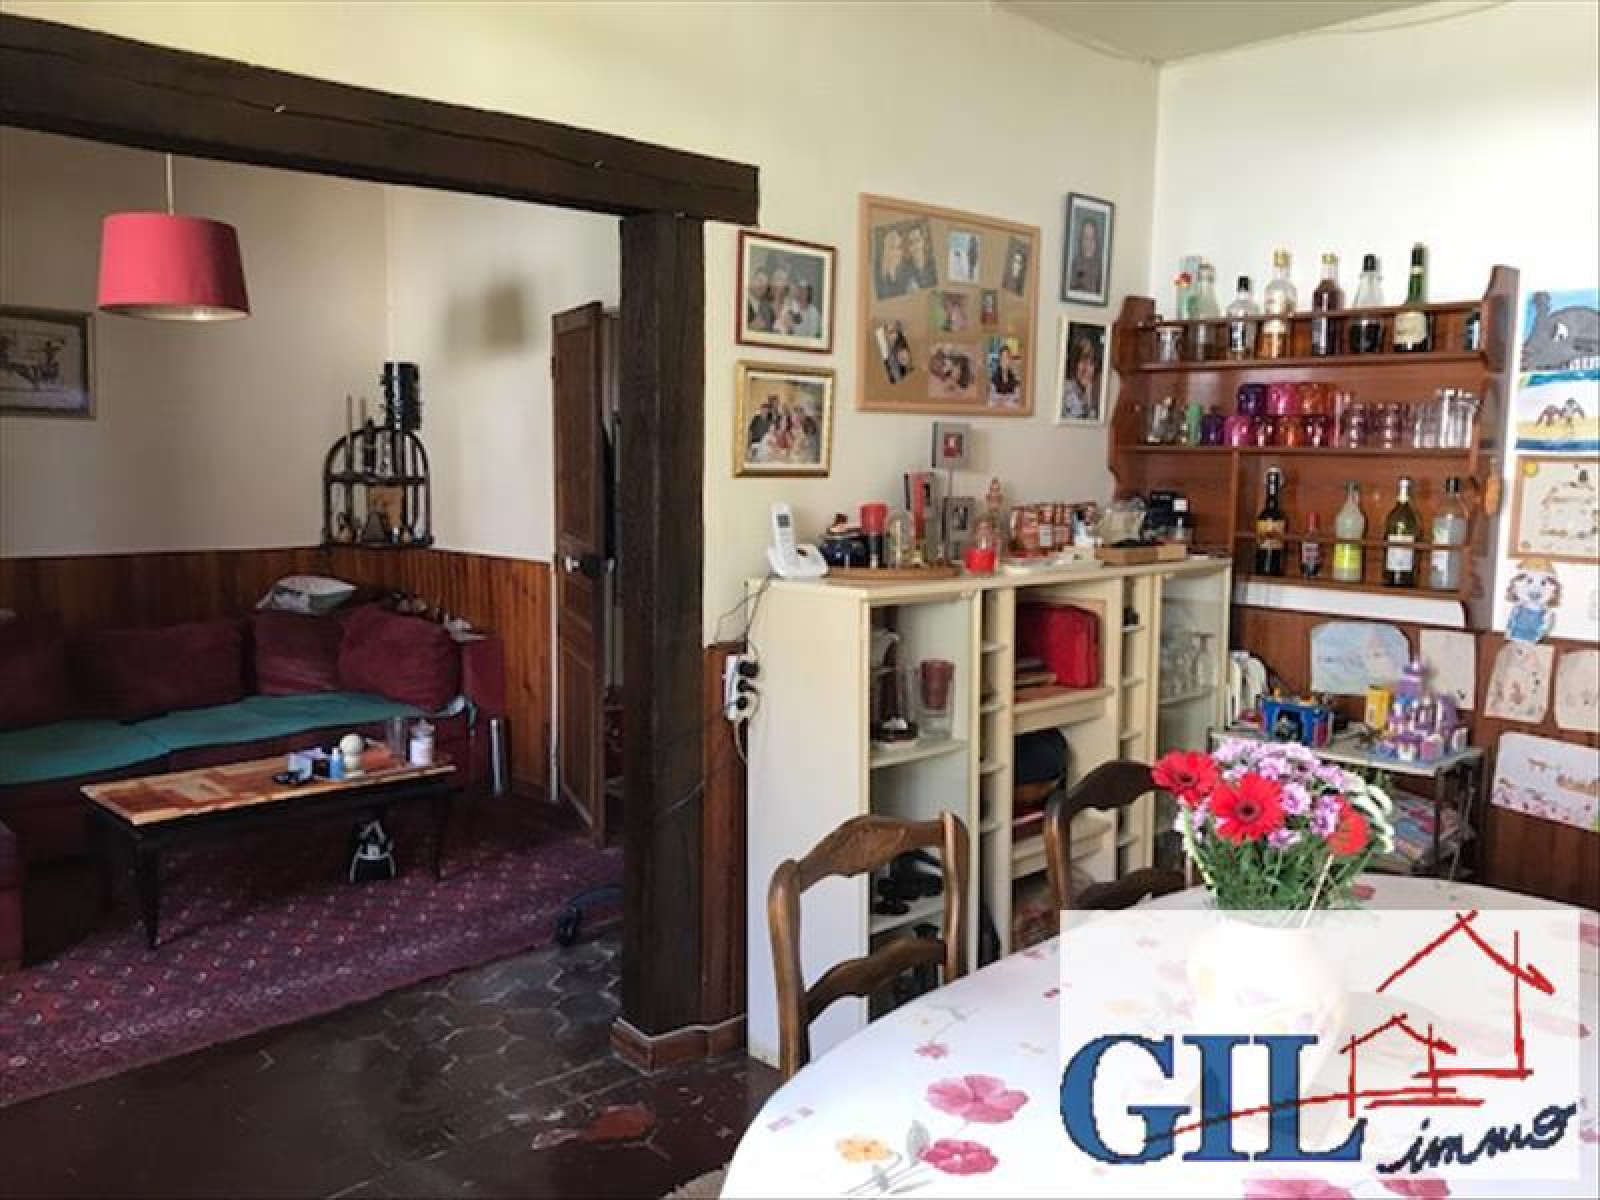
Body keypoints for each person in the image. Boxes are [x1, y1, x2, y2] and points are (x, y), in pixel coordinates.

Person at [1060, 334, 1100, 420]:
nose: (1088, 369)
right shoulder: (1067, 390)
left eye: (1091, 363)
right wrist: (1088, 401)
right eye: (1083, 361)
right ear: (1074, 363)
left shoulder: (1090, 390)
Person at [1069, 215, 1104, 297]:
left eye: (1092, 238)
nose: (1089, 242)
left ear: (1096, 240)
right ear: (1081, 240)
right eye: (1086, 238)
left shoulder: (1100, 266)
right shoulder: (1075, 263)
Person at [903, 222, 938, 290]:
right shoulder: (905, 271)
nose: (915, 246)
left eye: (917, 240)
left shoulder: (935, 265)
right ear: (908, 247)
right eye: (911, 243)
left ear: (923, 241)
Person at [875, 227, 907, 300]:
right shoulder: (874, 269)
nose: (894, 252)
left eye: (897, 247)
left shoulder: (905, 270)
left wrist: (892, 273)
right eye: (891, 247)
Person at [745, 265, 773, 332]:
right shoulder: (739, 299)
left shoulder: (767, 308)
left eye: (765, 284)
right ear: (752, 279)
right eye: (759, 280)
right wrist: (749, 328)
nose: (762, 286)